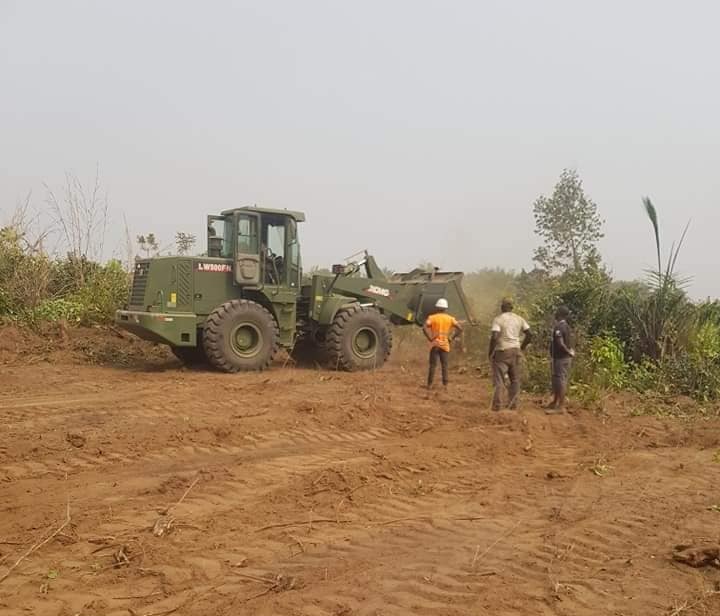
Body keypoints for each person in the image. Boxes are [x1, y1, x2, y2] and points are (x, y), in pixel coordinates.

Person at [489, 298, 532, 410]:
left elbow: (494, 337)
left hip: (502, 351)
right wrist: (521, 347)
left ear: (502, 308)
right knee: (515, 379)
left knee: (499, 379)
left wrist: (491, 352)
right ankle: (513, 404)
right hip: (516, 350)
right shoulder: (519, 319)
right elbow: (529, 334)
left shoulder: (498, 319)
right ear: (512, 308)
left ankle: (497, 406)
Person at [423, 298, 463, 389]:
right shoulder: (450, 319)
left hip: (435, 344)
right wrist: (451, 338)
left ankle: (429, 385)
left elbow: (424, 327)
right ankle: (445, 385)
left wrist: (430, 338)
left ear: (437, 307)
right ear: (446, 308)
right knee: (444, 365)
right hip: (445, 345)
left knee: (433, 365)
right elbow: (460, 329)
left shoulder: (432, 318)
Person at [546, 305, 575, 414]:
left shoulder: (559, 327)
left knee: (560, 381)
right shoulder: (567, 327)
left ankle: (560, 407)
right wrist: (571, 351)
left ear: (559, 314)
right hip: (565, 359)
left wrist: (568, 351)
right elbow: (569, 341)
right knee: (558, 380)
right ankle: (555, 402)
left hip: (561, 358)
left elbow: (560, 343)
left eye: (557, 312)